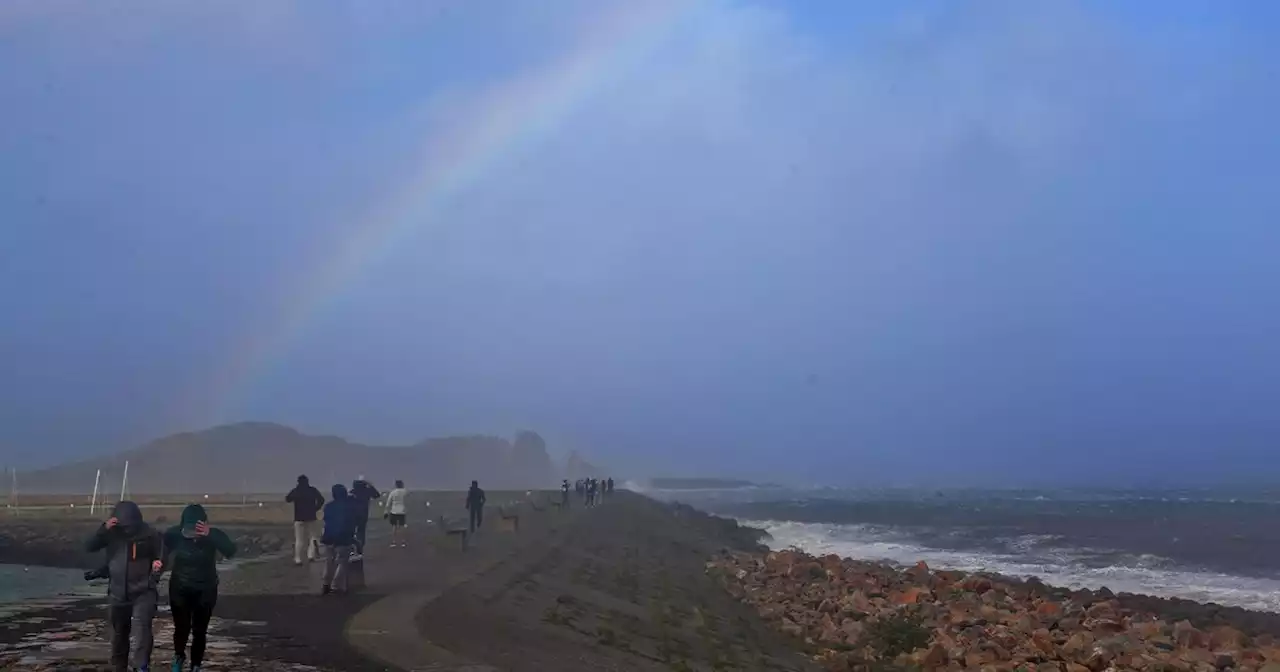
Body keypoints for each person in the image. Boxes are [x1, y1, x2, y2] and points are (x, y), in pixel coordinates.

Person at [86, 501, 164, 672]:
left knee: (142, 629)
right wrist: (103, 529)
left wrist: (157, 569)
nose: (128, 529)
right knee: (119, 634)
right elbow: (89, 547)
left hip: (143, 591)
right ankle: (119, 666)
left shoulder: (151, 535)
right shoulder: (111, 534)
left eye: (131, 525)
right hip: (117, 592)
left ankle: (141, 666)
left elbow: (161, 557)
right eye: (125, 526)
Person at [163, 504, 235, 672]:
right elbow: (157, 548)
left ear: (204, 523)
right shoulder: (174, 534)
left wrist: (210, 535)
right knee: (181, 627)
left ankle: (196, 664)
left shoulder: (214, 535)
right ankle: (179, 655)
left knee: (199, 630)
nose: (193, 534)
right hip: (180, 587)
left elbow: (230, 550)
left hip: (206, 589)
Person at [321, 484, 356, 595]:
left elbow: (326, 520)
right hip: (343, 538)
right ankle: (336, 585)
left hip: (328, 537)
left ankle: (326, 585)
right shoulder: (350, 506)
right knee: (342, 562)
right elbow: (352, 522)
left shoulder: (328, 506)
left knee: (329, 562)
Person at [285, 475, 324, 566]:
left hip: (299, 518)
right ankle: (311, 556)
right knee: (312, 537)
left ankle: (297, 559)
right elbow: (321, 499)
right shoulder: (312, 490)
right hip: (311, 516)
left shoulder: (296, 491)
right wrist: (316, 508)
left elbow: (287, 499)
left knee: (299, 539)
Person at [349, 475, 380, 559]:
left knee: (351, 532)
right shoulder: (367, 491)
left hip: (352, 514)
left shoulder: (352, 491)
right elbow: (377, 495)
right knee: (361, 533)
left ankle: (351, 550)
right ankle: (359, 551)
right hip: (363, 514)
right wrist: (370, 485)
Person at [385, 480, 408, 548]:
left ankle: (394, 542)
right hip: (402, 511)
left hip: (394, 511)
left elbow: (388, 502)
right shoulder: (405, 492)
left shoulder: (393, 492)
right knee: (401, 527)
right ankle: (402, 542)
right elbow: (407, 500)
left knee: (394, 527)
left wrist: (386, 511)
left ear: (396, 485)